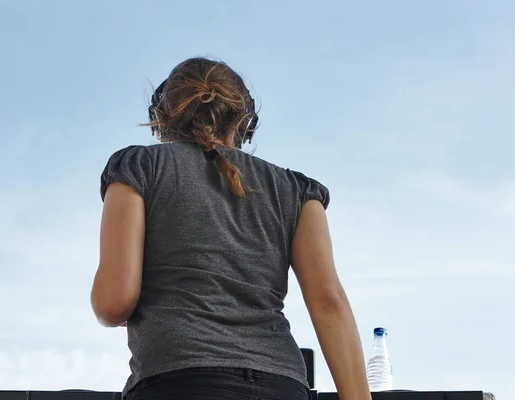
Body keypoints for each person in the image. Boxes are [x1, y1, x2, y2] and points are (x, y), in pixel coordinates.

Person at [91, 57, 371, 400]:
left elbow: (113, 302)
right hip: (280, 386)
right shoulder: (297, 191)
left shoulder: (138, 167)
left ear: (163, 115)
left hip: (177, 382)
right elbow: (329, 302)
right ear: (244, 118)